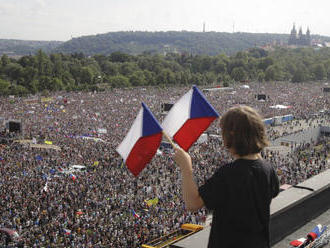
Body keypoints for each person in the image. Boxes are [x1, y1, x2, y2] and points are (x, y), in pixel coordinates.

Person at [173, 105, 280, 248]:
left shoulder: (228, 174)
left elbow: (193, 204)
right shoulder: (268, 170)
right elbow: (271, 191)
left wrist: (186, 167)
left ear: (230, 136)